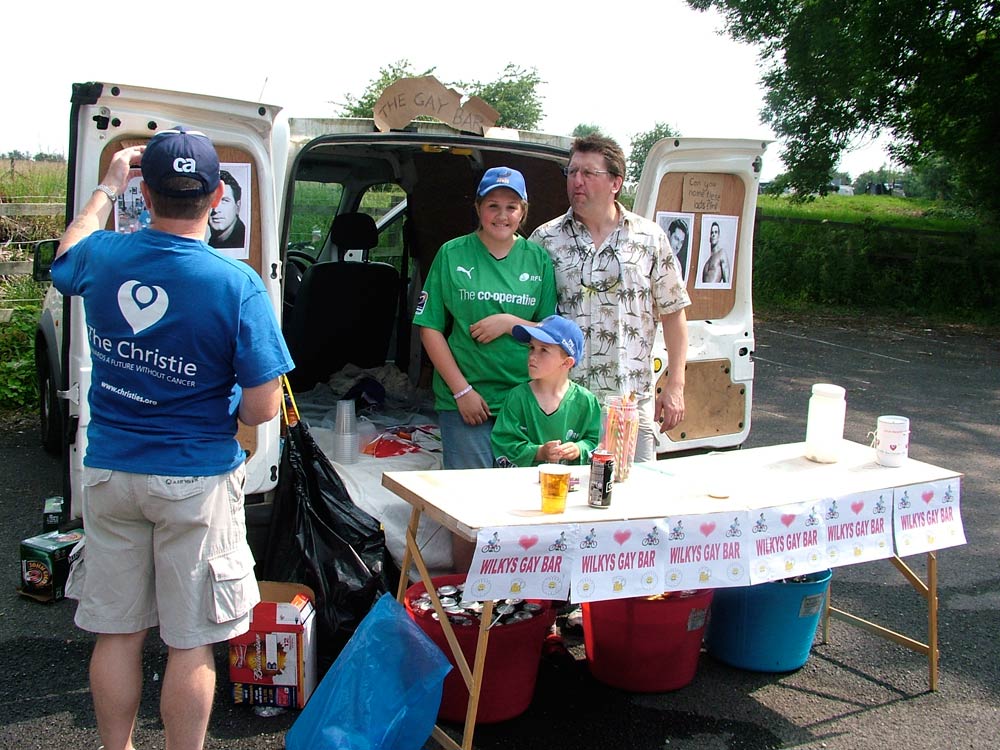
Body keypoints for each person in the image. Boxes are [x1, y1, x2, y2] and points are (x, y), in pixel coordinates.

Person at [51, 127, 294, 750]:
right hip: (194, 478)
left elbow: (64, 256)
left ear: (146, 192)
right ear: (218, 196)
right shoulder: (235, 283)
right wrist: (236, 427)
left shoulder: (104, 256)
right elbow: (266, 404)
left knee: (118, 635)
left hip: (109, 470)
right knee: (190, 642)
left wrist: (109, 182)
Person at [413, 166, 557, 570]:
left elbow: (550, 330)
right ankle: (468, 599)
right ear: (478, 208)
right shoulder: (452, 254)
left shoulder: (537, 259)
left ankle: (515, 597)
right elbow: (428, 328)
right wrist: (461, 391)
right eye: (493, 205)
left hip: (523, 402)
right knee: (469, 509)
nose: (502, 214)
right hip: (466, 402)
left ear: (523, 212)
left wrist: (509, 322)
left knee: (521, 504)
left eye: (512, 206)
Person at [530, 134, 691, 463]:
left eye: (588, 174)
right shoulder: (545, 240)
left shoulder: (649, 238)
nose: (577, 181)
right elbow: (530, 320)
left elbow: (674, 314)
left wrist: (675, 385)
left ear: (615, 182)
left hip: (626, 405)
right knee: (559, 503)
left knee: (634, 504)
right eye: (572, 172)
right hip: (562, 406)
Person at [491, 315, 601, 467]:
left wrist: (578, 449)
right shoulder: (517, 397)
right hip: (524, 486)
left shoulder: (586, 401)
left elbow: (596, 442)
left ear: (567, 362)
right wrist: (539, 452)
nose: (533, 356)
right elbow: (504, 444)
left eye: (544, 350)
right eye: (532, 348)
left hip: (569, 487)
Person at [208, 169, 247, 249]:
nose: (216, 209)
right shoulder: (213, 242)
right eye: (211, 200)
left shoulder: (244, 240)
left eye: (225, 200)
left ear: (238, 206)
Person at [666, 217, 689, 282]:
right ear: (668, 235)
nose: (678, 246)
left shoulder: (677, 265)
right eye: (676, 239)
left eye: (681, 242)